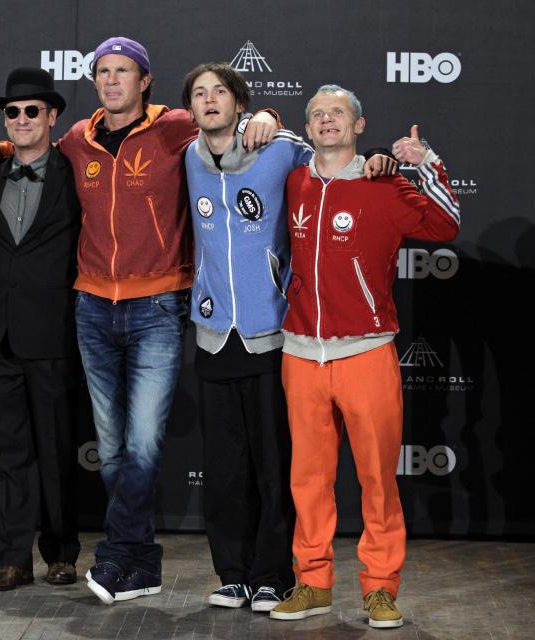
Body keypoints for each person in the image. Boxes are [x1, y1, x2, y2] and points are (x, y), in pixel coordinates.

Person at [0, 37, 280, 605]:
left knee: (141, 444)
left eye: (123, 72)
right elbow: (27, 141)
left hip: (157, 307)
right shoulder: (76, 138)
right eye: (103, 72)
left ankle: (121, 554)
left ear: (144, 82)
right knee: (110, 450)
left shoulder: (176, 125)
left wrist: (265, 114)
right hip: (91, 308)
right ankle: (139, 563)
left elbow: (226, 118)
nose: (111, 81)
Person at [183, 64, 395, 613]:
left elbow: (331, 161)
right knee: (225, 469)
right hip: (212, 329)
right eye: (199, 95)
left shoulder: (281, 148)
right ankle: (233, 573)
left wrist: (272, 119)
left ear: (239, 103)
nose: (209, 102)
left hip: (274, 330)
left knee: (279, 468)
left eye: (220, 93)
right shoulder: (187, 154)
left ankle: (275, 575)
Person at [270, 85, 460, 628]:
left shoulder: (384, 182)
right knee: (308, 479)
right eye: (318, 115)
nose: (327, 121)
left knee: (378, 479)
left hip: (367, 351)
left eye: (339, 114)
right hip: (301, 351)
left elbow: (445, 226)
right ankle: (313, 582)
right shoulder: (292, 181)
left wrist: (427, 164)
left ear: (358, 125)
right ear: (307, 131)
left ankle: (380, 588)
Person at [0, 67, 83, 591]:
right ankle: (10, 558)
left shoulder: (76, 171)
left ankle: (60, 553)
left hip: (51, 332)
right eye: (11, 113)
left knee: (57, 451)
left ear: (52, 116)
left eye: (31, 111)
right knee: (7, 451)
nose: (20, 120)